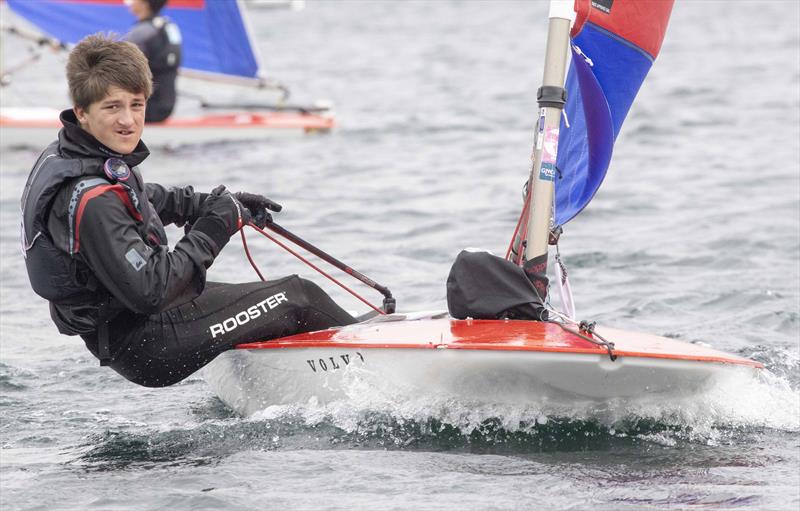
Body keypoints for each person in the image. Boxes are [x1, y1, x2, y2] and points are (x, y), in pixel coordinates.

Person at [20, 34, 356, 387]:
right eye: (112, 107)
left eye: (137, 105)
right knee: (297, 296)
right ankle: (378, 357)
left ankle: (328, 369)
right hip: (148, 344)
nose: (128, 120)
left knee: (273, 297)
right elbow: (153, 289)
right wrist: (215, 227)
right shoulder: (93, 200)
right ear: (82, 112)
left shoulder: (73, 153)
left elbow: (141, 199)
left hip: (129, 328)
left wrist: (210, 204)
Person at [124, 0, 181, 122]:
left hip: (146, 108)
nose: (130, 3)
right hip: (166, 107)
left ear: (145, 4)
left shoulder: (142, 32)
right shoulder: (169, 25)